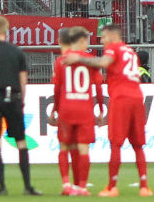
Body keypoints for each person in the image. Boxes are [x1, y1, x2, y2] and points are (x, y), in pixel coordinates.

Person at [64, 24, 153, 197]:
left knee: (116, 144)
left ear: (112, 36)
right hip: (137, 97)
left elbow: (104, 62)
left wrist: (79, 59)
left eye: (104, 37)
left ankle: (112, 187)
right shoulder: (130, 51)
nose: (103, 41)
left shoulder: (113, 48)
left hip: (121, 98)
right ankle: (144, 186)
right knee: (138, 145)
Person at [0, 16, 39, 196]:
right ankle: (27, 186)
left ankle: (2, 187)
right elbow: (23, 80)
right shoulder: (17, 52)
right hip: (14, 98)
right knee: (20, 140)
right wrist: (21, 101)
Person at [50, 27, 103, 196]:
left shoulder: (60, 61)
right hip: (85, 109)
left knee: (64, 147)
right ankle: (81, 187)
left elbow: (57, 89)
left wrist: (54, 110)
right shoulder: (91, 61)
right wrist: (101, 109)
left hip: (66, 108)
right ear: (80, 41)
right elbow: (99, 87)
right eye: (86, 41)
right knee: (83, 148)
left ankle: (66, 184)